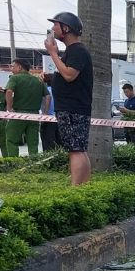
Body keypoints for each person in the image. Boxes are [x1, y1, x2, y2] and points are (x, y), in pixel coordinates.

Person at [45, 11, 93, 185]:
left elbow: (69, 75)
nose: (52, 29)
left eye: (56, 25)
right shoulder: (73, 51)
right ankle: (84, 187)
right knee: (79, 149)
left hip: (72, 108)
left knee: (75, 150)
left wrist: (52, 53)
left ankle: (75, 190)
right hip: (74, 108)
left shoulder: (77, 51)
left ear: (66, 28)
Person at [5, 58, 49, 156]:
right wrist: (45, 112)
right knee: (33, 143)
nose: (11, 69)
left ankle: (14, 165)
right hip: (35, 115)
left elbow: (8, 91)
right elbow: (48, 96)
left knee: (12, 140)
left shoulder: (14, 78)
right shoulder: (38, 79)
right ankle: (33, 165)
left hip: (18, 115)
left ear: (20, 67)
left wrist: (9, 107)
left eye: (13, 66)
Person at [40, 73, 61, 151]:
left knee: (48, 144)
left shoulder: (44, 92)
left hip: (48, 119)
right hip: (59, 119)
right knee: (59, 143)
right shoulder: (58, 91)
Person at [0, 84, 7, 157]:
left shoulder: (2, 94)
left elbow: (8, 106)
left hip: (1, 122)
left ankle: (6, 162)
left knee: (4, 144)